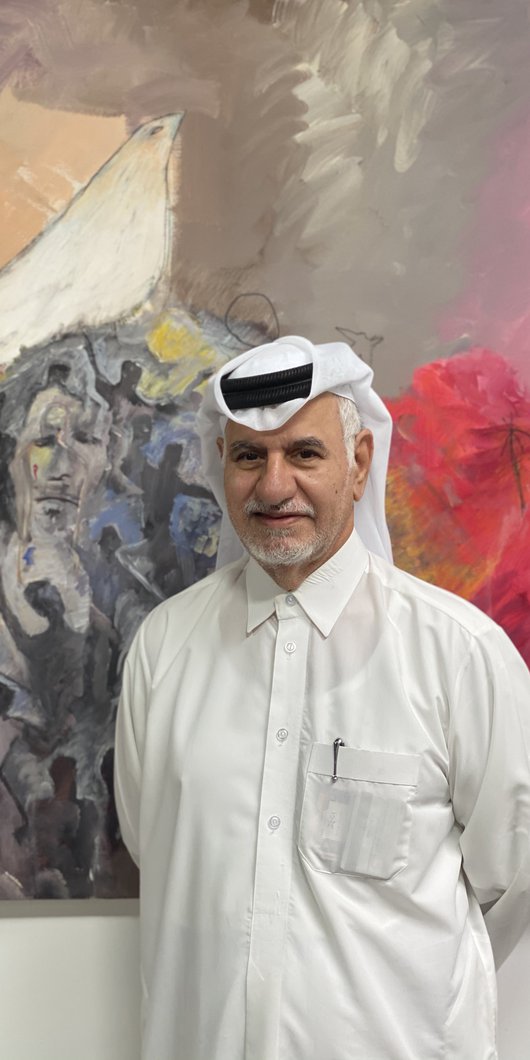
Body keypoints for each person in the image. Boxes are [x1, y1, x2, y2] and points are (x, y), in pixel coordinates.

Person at [115, 335, 530, 1060]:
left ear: (360, 462)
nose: (274, 487)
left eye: (304, 454)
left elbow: (514, 882)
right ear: (224, 466)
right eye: (250, 456)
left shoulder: (457, 655)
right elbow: (163, 852)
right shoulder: (163, 649)